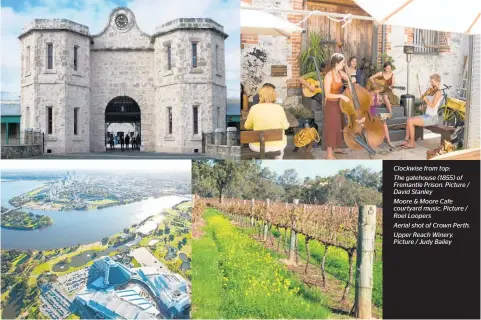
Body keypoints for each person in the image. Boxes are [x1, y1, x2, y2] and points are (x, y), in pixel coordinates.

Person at [244, 86, 290, 159]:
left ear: (260, 96)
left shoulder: (254, 108)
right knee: (281, 147)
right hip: (277, 146)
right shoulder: (279, 108)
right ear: (274, 95)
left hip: (257, 147)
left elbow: (247, 126)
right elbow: (286, 126)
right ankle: (278, 160)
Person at [320, 53, 351, 159]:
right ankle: (329, 154)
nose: (344, 64)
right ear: (337, 63)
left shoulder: (339, 72)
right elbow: (327, 94)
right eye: (343, 63)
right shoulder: (328, 76)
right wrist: (341, 96)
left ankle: (336, 147)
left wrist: (347, 76)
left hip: (338, 104)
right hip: (331, 103)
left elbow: (348, 79)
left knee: (339, 126)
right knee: (332, 128)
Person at [400, 74, 443, 149]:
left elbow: (433, 105)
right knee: (408, 120)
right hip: (427, 115)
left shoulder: (438, 92)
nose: (431, 84)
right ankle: (407, 140)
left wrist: (426, 100)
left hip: (432, 118)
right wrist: (423, 106)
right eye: (431, 82)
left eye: (432, 82)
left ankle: (412, 143)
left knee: (411, 121)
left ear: (438, 82)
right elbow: (431, 105)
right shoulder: (432, 91)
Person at [368, 83, 394, 148]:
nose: (379, 91)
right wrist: (374, 102)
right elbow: (367, 104)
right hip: (367, 113)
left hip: (374, 113)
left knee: (384, 123)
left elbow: (377, 104)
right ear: (375, 90)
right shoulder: (367, 94)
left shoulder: (377, 94)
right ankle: (372, 142)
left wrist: (380, 101)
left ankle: (389, 141)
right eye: (378, 90)